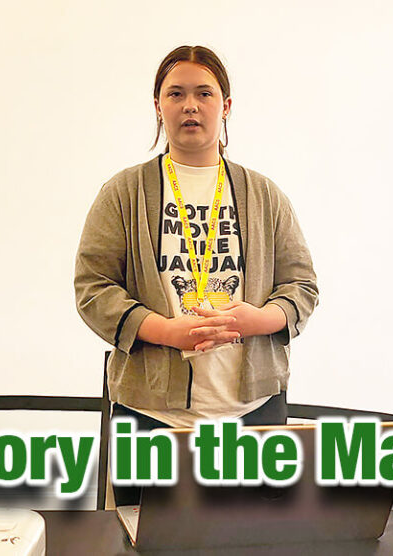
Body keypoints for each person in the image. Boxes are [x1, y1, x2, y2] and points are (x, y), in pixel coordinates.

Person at [74, 45, 318, 433]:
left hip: (254, 410)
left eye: (204, 93)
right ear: (158, 105)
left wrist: (257, 321)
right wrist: (165, 331)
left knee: (253, 498)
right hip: (149, 412)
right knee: (144, 499)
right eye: (176, 93)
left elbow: (302, 286)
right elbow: (94, 289)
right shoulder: (124, 192)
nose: (190, 105)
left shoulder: (263, 193)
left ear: (225, 106)